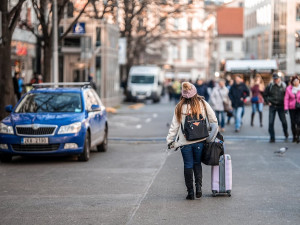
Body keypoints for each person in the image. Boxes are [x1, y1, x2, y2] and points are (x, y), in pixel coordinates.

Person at [166, 82, 218, 200]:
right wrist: (210, 137)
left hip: (185, 142)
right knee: (197, 164)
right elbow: (214, 121)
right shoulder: (203, 104)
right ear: (195, 92)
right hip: (200, 140)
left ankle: (190, 192)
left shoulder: (179, 106)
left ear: (183, 94)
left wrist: (170, 140)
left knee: (188, 165)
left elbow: (174, 126)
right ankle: (198, 188)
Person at [263, 73, 288, 143]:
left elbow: (287, 95)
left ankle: (285, 132)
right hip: (272, 106)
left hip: (281, 106)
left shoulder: (283, 85)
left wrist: (286, 104)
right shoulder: (270, 86)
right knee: (270, 122)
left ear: (279, 79)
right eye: (274, 79)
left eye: (276, 79)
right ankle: (272, 137)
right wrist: (268, 102)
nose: (275, 80)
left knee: (284, 122)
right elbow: (265, 94)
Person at [284, 75, 300, 143]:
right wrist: (286, 108)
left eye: (297, 81)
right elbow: (286, 98)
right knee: (293, 122)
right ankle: (294, 136)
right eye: (294, 81)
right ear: (292, 82)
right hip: (292, 108)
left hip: (299, 108)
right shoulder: (289, 88)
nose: (295, 82)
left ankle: (298, 136)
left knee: (299, 122)